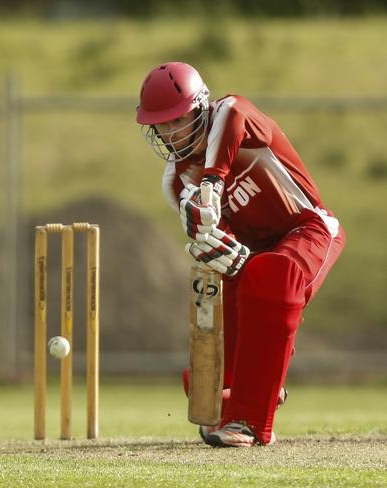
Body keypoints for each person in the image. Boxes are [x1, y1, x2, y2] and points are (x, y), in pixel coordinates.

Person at [136, 62, 345, 447]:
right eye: (160, 125)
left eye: (176, 119)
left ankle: (249, 421)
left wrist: (214, 177)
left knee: (274, 277)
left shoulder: (232, 113)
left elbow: (234, 112)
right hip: (254, 258)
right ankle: (236, 397)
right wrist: (222, 249)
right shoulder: (176, 178)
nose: (169, 132)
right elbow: (213, 233)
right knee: (208, 384)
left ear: (200, 107)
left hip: (308, 229)